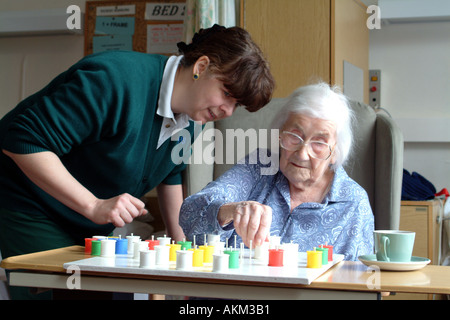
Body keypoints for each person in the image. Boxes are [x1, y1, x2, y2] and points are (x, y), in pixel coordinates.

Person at [0, 24, 274, 299]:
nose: (227, 111)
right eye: (227, 94)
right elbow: (22, 139)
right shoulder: (113, 80)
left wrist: (183, 250)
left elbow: (171, 173)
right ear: (201, 67)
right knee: (63, 291)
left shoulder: (194, 116)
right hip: (28, 202)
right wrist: (93, 205)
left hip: (85, 222)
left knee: (107, 292)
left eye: (236, 105)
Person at [179, 83, 374, 261]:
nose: (303, 154)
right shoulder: (259, 167)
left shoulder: (353, 203)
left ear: (335, 153)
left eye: (319, 143)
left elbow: (357, 282)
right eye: (294, 136)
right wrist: (230, 210)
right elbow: (190, 213)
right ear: (279, 134)